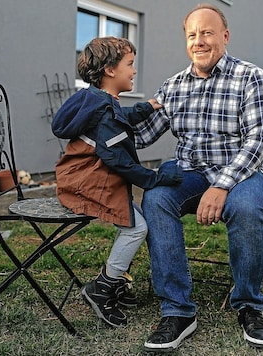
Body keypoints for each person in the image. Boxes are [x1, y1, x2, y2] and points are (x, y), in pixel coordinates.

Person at [133, 4, 263, 351]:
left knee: (246, 210)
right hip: (190, 174)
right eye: (192, 34)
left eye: (207, 32)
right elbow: (141, 136)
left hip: (242, 174)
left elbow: (259, 140)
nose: (199, 41)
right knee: (156, 199)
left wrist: (222, 185)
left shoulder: (251, 77)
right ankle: (178, 311)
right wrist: (98, 120)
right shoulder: (173, 86)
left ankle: (249, 305)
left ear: (224, 37)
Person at [51, 37, 183, 328]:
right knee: (137, 228)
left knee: (134, 224)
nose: (134, 71)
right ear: (110, 70)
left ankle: (110, 281)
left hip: (84, 176)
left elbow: (119, 118)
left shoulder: (99, 101)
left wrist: (147, 107)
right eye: (130, 64)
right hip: (86, 182)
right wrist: (157, 178)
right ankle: (103, 288)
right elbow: (119, 162)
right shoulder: (103, 110)